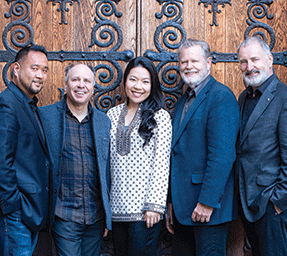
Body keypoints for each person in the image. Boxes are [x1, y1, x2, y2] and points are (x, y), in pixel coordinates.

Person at [166, 39, 239, 255]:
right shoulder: (182, 102)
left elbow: (223, 155)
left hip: (207, 207)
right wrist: (171, 202)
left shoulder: (220, 96)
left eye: (194, 61)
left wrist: (207, 202)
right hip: (183, 206)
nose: (188, 66)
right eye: (184, 62)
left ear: (208, 62)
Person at [39, 63, 112, 256]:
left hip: (95, 216)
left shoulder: (104, 121)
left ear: (93, 89)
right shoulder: (45, 117)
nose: (81, 85)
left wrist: (107, 215)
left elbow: (106, 169)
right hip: (64, 214)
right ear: (66, 85)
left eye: (87, 81)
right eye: (75, 79)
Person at [107, 56, 172, 256]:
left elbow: (162, 163)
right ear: (125, 81)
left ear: (152, 86)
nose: (138, 86)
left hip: (145, 212)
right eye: (133, 79)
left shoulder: (159, 117)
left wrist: (155, 206)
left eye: (145, 81)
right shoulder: (111, 114)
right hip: (115, 210)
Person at [0, 45, 56, 255]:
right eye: (34, 68)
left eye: (44, 70)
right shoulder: (7, 105)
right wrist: (13, 205)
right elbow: (2, 161)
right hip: (17, 213)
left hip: (30, 212)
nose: (40, 75)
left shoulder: (26, 104)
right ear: (16, 68)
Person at [235, 36, 287, 255]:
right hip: (246, 201)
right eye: (244, 62)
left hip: (271, 205)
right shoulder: (243, 97)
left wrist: (277, 202)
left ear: (270, 60)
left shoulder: (283, 96)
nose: (250, 67)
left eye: (255, 60)